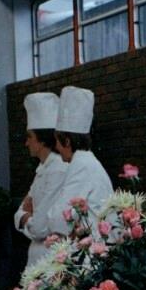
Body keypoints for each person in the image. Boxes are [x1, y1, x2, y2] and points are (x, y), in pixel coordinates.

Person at [45, 86, 113, 239]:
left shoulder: (81, 165)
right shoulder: (86, 161)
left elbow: (58, 220)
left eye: (57, 141)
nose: (56, 147)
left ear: (67, 141)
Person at [14, 92, 68, 267]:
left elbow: (41, 228)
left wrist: (25, 218)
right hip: (37, 256)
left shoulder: (57, 169)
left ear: (42, 140)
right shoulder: (42, 169)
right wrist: (26, 216)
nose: (26, 143)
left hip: (50, 258)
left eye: (29, 136)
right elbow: (20, 212)